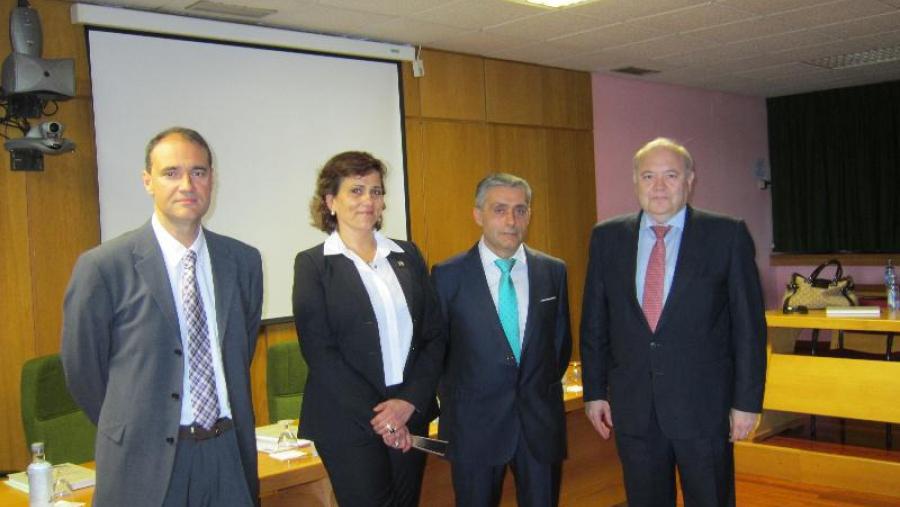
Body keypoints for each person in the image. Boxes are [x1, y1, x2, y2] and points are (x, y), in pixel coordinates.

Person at [61, 127, 263, 507]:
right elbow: (82, 370)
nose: (187, 184)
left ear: (211, 180)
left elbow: (241, 349)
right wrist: (135, 423)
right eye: (171, 172)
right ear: (147, 181)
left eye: (198, 172)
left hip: (227, 453)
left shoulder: (243, 261)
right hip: (144, 460)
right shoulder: (103, 267)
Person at [580, 137, 767, 506]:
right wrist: (595, 391)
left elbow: (748, 327)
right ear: (635, 181)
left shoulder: (727, 235)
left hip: (704, 408)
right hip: (634, 408)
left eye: (670, 175)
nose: (659, 186)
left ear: (690, 180)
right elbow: (594, 323)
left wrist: (746, 402)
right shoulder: (606, 238)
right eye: (648, 176)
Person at [292, 151, 445, 507]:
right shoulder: (314, 264)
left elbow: (434, 335)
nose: (368, 201)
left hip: (409, 410)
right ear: (331, 201)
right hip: (349, 420)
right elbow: (319, 351)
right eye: (356, 191)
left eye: (376, 191)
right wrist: (383, 418)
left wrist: (408, 403)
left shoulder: (407, 254)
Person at [432, 173, 572, 507]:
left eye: (520, 210)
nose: (511, 220)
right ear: (478, 214)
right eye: (499, 210)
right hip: (473, 429)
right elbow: (437, 351)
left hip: (538, 427)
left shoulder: (553, 272)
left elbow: (560, 343)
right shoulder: (447, 275)